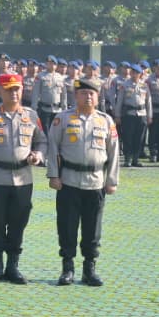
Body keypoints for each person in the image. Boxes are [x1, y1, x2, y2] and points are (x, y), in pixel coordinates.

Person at [46, 77, 119, 287]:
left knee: (92, 229)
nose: (88, 97)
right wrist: (53, 175)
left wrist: (112, 180)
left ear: (97, 97)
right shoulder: (63, 119)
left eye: (91, 94)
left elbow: (113, 152)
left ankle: (89, 269)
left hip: (96, 182)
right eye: (83, 93)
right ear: (76, 95)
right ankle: (67, 268)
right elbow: (52, 147)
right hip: (69, 181)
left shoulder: (105, 121)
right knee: (67, 226)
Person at [0, 72, 44, 284]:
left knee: (18, 222)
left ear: (22, 90)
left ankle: (13, 266)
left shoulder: (31, 116)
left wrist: (38, 155)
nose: (13, 93)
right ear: (0, 91)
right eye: (9, 90)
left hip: (23, 178)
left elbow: (42, 141)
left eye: (17, 89)